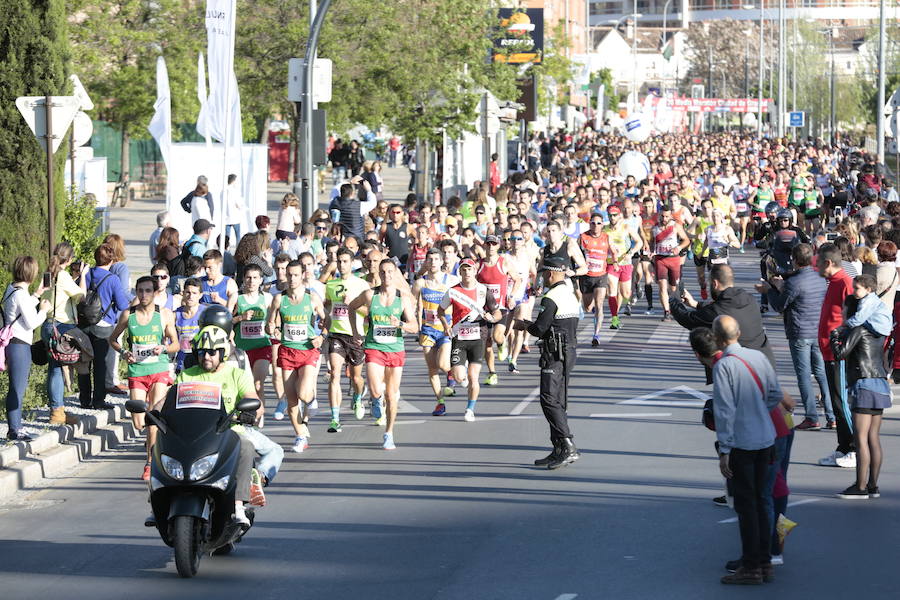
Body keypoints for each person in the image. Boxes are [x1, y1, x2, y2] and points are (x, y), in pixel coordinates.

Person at [169, 324, 284, 526]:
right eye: (202, 352)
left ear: (222, 353)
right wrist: (154, 411)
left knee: (247, 446)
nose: (206, 357)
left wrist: (250, 412)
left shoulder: (236, 375)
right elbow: (169, 399)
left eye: (212, 352)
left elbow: (252, 399)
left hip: (229, 431)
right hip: (195, 433)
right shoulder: (186, 375)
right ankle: (158, 503)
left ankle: (239, 505)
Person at [703, 316, 784, 585]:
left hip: (742, 443)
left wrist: (724, 449)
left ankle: (750, 566)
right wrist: (759, 408)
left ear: (717, 337)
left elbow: (724, 411)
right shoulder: (758, 357)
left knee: (746, 506)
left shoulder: (724, 365)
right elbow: (774, 394)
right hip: (766, 437)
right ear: (738, 333)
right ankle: (764, 561)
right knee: (763, 501)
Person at [109, 276, 179, 480]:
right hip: (137, 372)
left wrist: (164, 347)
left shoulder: (164, 315)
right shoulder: (127, 315)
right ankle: (153, 441)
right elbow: (112, 339)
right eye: (140, 291)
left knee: (153, 418)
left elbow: (175, 344)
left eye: (148, 291)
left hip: (159, 369)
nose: (144, 295)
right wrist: (123, 352)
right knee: (139, 422)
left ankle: (150, 462)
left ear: (155, 293)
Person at [758, 244, 834, 430]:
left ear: (794, 259)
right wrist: (780, 285)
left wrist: (769, 290)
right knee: (822, 373)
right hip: (817, 330)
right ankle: (832, 415)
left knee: (804, 376)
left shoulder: (794, 282)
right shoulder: (819, 278)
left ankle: (811, 416)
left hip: (800, 331)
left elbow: (779, 305)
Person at [831, 275, 892, 499]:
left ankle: (860, 486)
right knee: (873, 438)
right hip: (880, 383)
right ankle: (873, 486)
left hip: (863, 384)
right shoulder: (878, 330)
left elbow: (840, 354)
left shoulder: (859, 329)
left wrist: (834, 336)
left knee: (861, 438)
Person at [348, 259, 418, 449]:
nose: (387, 275)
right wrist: (356, 332)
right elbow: (351, 307)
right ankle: (375, 399)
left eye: (390, 272)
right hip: (374, 347)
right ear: (379, 274)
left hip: (395, 349)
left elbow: (414, 326)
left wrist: (401, 324)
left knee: (391, 395)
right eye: (383, 272)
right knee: (377, 390)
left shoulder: (402, 298)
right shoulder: (370, 294)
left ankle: (389, 433)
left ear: (396, 274)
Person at [519, 253, 580, 470]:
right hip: (569, 350)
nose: (543, 277)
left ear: (552, 274)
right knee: (559, 399)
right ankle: (558, 448)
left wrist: (524, 325)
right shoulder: (570, 294)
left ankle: (567, 444)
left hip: (554, 353)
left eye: (545, 273)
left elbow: (540, 328)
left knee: (548, 399)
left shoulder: (551, 297)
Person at [266, 259, 327, 453]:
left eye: (295, 275)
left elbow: (328, 319)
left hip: (308, 350)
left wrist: (322, 336)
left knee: (302, 392)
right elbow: (271, 322)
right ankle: (300, 435)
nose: (291, 278)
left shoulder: (312, 298)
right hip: (287, 350)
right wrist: (274, 330)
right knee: (291, 400)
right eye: (288, 274)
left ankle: (310, 400)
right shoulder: (279, 299)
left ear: (302, 276)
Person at [437, 257, 501, 422]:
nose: (467, 272)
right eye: (463, 269)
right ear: (460, 271)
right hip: (459, 337)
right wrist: (446, 326)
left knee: (474, 376)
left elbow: (498, 313)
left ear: (474, 271)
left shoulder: (483, 290)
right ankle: (462, 379)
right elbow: (440, 311)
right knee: (459, 376)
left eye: (470, 269)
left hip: (478, 337)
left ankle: (470, 409)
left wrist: (492, 318)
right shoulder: (452, 291)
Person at [815, 242, 856, 468]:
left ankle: (853, 448)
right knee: (836, 401)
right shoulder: (834, 282)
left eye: (819, 263)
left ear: (828, 263)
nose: (816, 267)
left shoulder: (844, 283)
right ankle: (843, 447)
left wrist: (840, 344)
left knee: (842, 403)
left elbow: (853, 319)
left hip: (837, 353)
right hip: (830, 351)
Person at [79, 244, 131, 411]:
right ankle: (98, 400)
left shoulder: (87, 274)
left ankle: (84, 399)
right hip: (104, 326)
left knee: (84, 363)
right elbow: (123, 305)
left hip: (85, 324)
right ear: (112, 259)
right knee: (101, 365)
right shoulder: (112, 279)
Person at [3, 256, 50, 441]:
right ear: (32, 273)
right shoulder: (21, 294)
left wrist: (37, 294)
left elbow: (20, 310)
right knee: (17, 388)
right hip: (20, 345)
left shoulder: (11, 289)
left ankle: (14, 427)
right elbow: (31, 322)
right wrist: (44, 310)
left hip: (12, 343)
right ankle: (15, 429)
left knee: (15, 387)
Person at [323, 247, 370, 430]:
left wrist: (353, 304)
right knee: (335, 373)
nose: (342, 265)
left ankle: (358, 397)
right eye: (339, 261)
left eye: (345, 261)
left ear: (352, 263)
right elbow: (328, 306)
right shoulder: (331, 285)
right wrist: (324, 320)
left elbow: (368, 312)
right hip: (336, 334)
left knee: (357, 378)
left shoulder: (361, 285)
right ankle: (335, 418)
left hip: (356, 335)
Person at [40, 242, 87, 425]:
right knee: (58, 368)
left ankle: (57, 409)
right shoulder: (63, 275)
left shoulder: (48, 274)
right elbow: (80, 296)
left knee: (54, 366)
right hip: (61, 326)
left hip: (47, 324)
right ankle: (57, 412)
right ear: (68, 259)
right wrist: (82, 276)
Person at [412, 248, 458, 415]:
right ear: (426, 262)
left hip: (445, 330)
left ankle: (453, 373)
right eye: (429, 260)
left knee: (442, 364)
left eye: (435, 259)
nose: (432, 263)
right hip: (427, 330)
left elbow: (462, 299)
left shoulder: (451, 281)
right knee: (432, 370)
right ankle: (440, 402)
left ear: (441, 262)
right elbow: (411, 303)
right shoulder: (420, 283)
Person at [233, 265, 273, 425]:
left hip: (262, 346)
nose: (252, 281)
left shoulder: (268, 298)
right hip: (241, 350)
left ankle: (258, 414)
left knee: (258, 384)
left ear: (261, 280)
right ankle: (244, 414)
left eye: (255, 278)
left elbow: (276, 318)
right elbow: (227, 319)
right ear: (243, 279)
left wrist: (274, 327)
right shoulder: (236, 297)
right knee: (243, 386)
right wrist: (240, 318)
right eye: (248, 277)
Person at [650, 207, 690, 321]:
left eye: (667, 216)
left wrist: (679, 247)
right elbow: (651, 243)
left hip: (673, 259)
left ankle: (676, 303)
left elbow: (686, 240)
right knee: (662, 286)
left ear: (671, 216)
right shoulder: (655, 228)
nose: (664, 218)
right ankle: (666, 312)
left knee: (673, 288)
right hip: (660, 259)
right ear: (659, 215)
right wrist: (651, 252)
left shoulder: (676, 226)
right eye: (662, 216)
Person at [173, 278, 206, 373]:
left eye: (194, 293)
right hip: (181, 363)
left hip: (200, 362)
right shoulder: (175, 314)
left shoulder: (206, 313)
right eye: (188, 292)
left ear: (200, 295)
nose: (190, 296)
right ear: (183, 293)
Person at [224, 174, 243, 244]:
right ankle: (238, 251)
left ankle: (226, 250)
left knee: (226, 237)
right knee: (238, 236)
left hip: (226, 217)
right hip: (235, 217)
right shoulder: (234, 191)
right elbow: (238, 204)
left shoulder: (223, 190)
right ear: (234, 181)